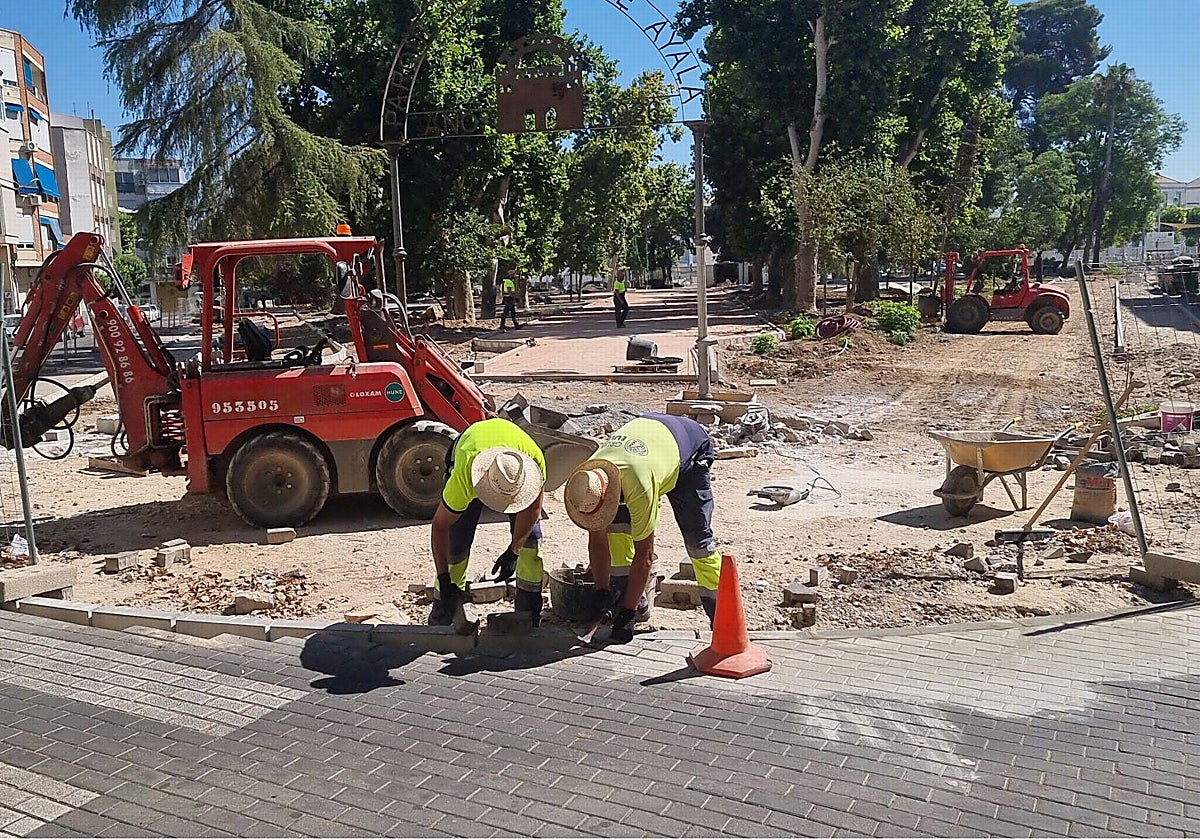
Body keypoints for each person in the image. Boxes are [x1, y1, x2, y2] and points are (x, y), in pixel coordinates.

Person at [563, 413, 722, 643]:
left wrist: (625, 615)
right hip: (651, 444)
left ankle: (721, 617)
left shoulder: (638, 487)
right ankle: (636, 603)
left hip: (690, 449)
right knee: (615, 533)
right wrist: (601, 591)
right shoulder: (589, 479)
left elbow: (644, 555)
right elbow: (597, 539)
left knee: (698, 543)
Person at [429, 418, 546, 626]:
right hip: (470, 448)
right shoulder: (465, 475)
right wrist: (444, 578)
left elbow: (533, 509)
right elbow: (440, 526)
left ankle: (529, 614)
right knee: (456, 546)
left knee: (531, 542)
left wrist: (514, 550)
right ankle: (444, 613)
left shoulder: (535, 463)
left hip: (512, 448)